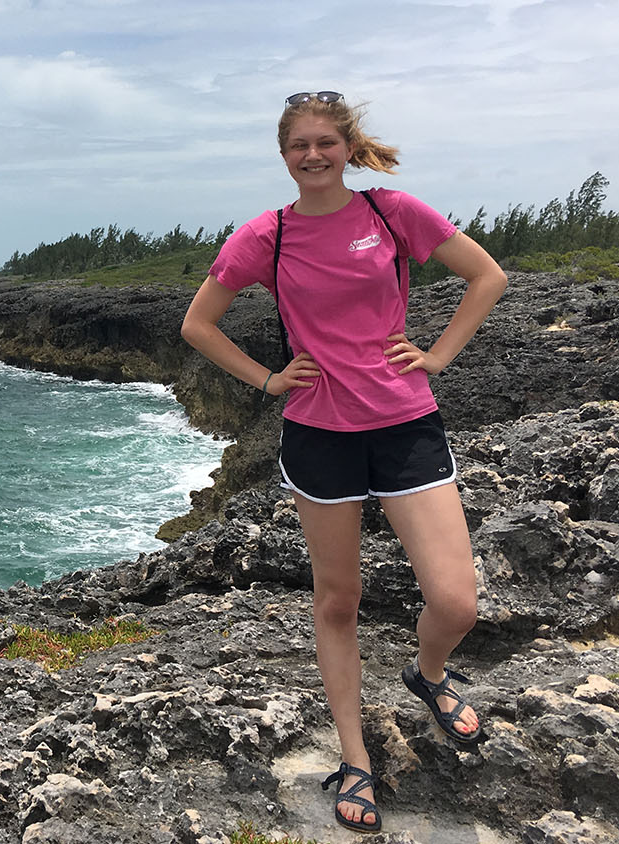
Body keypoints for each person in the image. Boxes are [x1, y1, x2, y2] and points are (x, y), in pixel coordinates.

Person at [180, 91, 507, 833]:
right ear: (284, 153)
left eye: (327, 142)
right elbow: (198, 324)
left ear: (347, 146)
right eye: (300, 145)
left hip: (406, 423)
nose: (314, 156)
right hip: (319, 433)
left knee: (456, 600)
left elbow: (486, 277)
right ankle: (356, 757)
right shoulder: (267, 235)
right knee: (338, 600)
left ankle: (427, 675)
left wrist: (438, 355)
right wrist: (267, 379)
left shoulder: (392, 212)